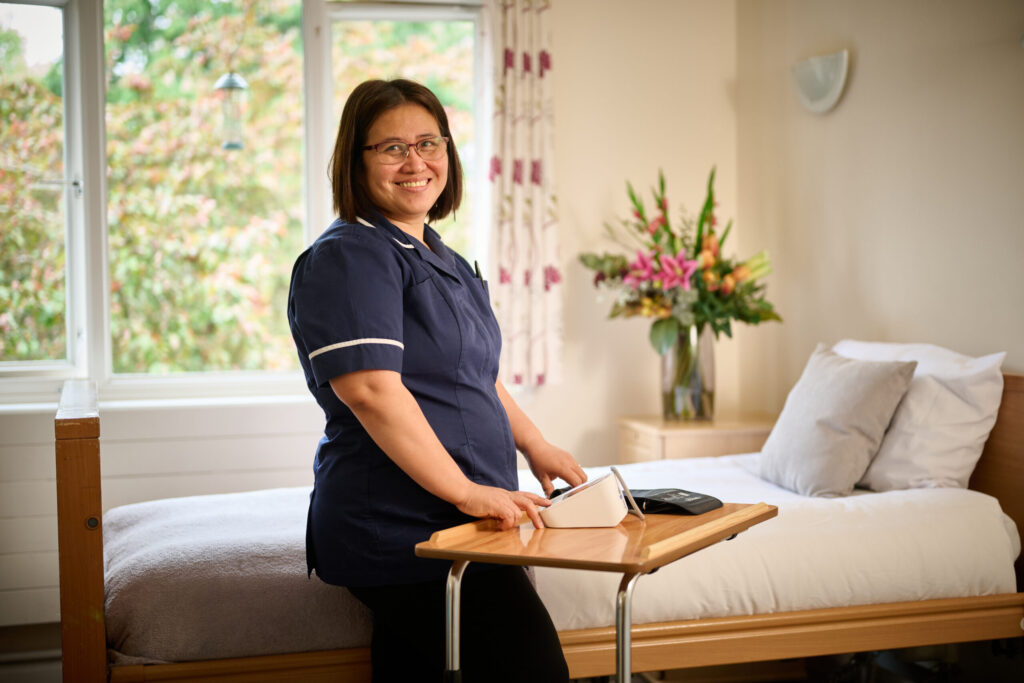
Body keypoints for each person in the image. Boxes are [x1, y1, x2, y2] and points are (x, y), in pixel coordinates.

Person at [287, 78, 586, 683]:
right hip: (405, 527)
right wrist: (467, 491)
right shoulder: (351, 255)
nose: (415, 162)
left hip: (460, 522)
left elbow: (475, 375)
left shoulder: (439, 256)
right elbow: (371, 391)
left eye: (429, 142)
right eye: (391, 148)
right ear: (355, 160)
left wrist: (536, 445)